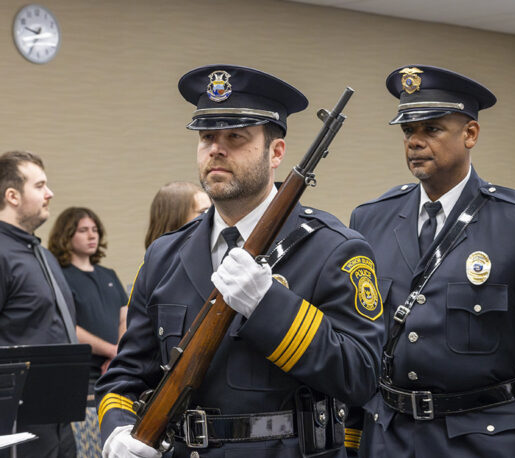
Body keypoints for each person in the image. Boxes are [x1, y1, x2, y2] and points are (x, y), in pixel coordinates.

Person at [95, 65, 384, 458]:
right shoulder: (165, 254)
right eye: (207, 137)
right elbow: (125, 376)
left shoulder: (334, 248)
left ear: (276, 152)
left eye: (236, 137)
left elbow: (362, 376)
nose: (217, 148)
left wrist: (269, 306)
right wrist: (118, 431)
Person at [349, 65, 515, 457]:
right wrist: (353, 436)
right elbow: (360, 340)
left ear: (470, 134)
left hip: (486, 440)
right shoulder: (371, 218)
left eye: (431, 129)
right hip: (390, 438)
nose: (415, 142)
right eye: (408, 131)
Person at [0, 150, 77, 457]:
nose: (50, 194)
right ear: (12, 196)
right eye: (40, 185)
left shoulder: (42, 255)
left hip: (60, 413)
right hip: (18, 418)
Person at [49, 207, 129, 458]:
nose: (91, 236)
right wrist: (113, 351)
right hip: (84, 375)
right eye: (83, 230)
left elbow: (124, 317)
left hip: (114, 369)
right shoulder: (59, 276)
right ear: (66, 235)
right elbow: (68, 326)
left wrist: (120, 355)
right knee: (86, 445)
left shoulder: (109, 274)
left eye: (94, 230)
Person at [144, 181, 210, 249]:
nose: (212, 215)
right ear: (175, 219)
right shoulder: (156, 258)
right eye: (203, 212)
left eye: (212, 211)